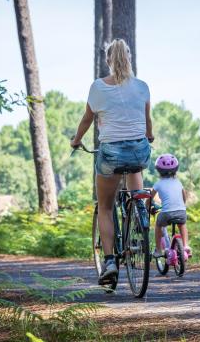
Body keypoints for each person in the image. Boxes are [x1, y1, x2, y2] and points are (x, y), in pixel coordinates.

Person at [70, 38, 153, 285]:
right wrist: (149, 136)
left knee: (105, 206)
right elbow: (147, 120)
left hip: (111, 152)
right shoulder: (142, 86)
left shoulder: (98, 87)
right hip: (139, 150)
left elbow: (87, 120)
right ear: (129, 57)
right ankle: (138, 221)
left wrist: (76, 140)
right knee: (136, 188)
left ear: (108, 60)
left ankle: (109, 262)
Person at [150, 154, 191, 258]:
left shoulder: (158, 183)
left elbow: (150, 198)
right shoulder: (178, 182)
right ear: (175, 170)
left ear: (158, 170)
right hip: (181, 211)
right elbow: (184, 197)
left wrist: (148, 206)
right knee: (182, 224)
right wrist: (182, 205)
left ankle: (159, 250)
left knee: (158, 225)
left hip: (167, 213)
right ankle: (186, 246)